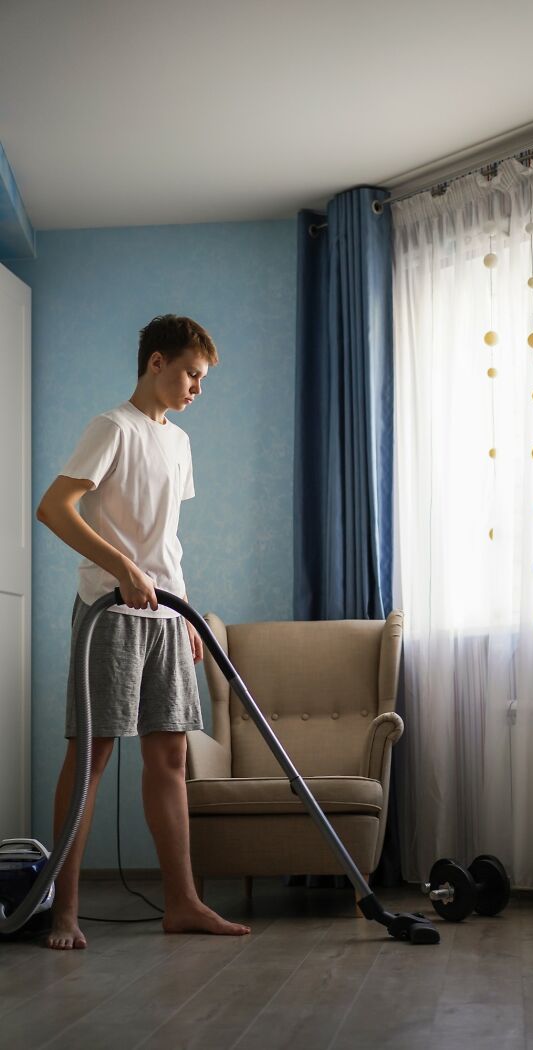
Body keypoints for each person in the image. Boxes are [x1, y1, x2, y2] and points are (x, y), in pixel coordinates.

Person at [36, 314, 251, 949]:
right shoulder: (114, 427)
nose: (196, 387)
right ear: (155, 363)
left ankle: (182, 902)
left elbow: (164, 540)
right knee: (93, 757)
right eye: (191, 373)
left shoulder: (179, 443)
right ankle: (65, 910)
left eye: (203, 378)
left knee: (171, 756)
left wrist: (183, 608)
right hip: (109, 611)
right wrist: (121, 566)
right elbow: (54, 508)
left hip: (164, 615)